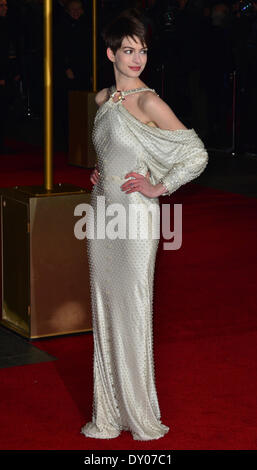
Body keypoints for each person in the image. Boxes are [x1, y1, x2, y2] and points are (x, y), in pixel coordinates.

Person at [81, 8, 208, 441]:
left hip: (135, 217)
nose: (137, 59)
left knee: (133, 309)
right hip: (101, 214)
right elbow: (108, 150)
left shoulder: (148, 101)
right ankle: (109, 412)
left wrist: (160, 188)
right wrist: (98, 173)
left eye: (143, 51)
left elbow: (196, 154)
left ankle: (139, 413)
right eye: (129, 50)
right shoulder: (103, 100)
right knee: (104, 308)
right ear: (110, 53)